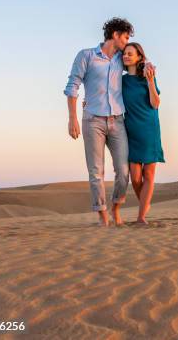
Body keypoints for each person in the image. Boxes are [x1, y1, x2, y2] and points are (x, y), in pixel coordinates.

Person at [64, 17, 153, 226]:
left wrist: (147, 63)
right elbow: (72, 86)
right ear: (115, 35)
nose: (127, 42)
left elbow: (139, 61)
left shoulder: (122, 59)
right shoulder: (86, 55)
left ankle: (116, 207)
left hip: (118, 122)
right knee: (96, 172)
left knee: (123, 171)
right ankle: (102, 215)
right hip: (92, 121)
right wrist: (72, 118)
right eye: (125, 37)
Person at [121, 42, 165, 224]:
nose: (126, 56)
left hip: (149, 127)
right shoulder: (121, 80)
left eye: (130, 53)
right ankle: (145, 205)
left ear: (139, 56)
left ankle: (141, 217)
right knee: (135, 178)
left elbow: (155, 103)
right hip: (130, 129)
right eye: (124, 53)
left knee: (148, 175)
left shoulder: (148, 76)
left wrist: (149, 80)